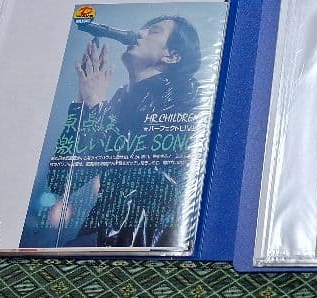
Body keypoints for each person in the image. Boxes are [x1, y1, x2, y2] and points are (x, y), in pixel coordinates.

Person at [47, 16, 203, 247]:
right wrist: (82, 106)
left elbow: (146, 165)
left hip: (140, 241)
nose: (139, 32)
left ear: (171, 56)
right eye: (143, 28)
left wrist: (97, 106)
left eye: (153, 31)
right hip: (100, 236)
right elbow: (61, 181)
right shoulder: (120, 101)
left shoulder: (186, 95)